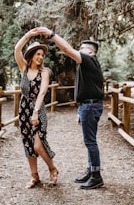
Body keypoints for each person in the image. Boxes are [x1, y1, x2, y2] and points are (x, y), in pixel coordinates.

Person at [37, 26, 104, 190]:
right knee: (89, 141)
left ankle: (96, 176)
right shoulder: (88, 65)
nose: (78, 52)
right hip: (87, 106)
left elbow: (67, 49)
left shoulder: (89, 60)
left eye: (81, 50)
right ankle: (91, 171)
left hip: (90, 106)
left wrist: (51, 34)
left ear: (90, 52)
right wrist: (80, 109)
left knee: (90, 141)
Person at [14, 28, 58, 188]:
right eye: (38, 54)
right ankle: (35, 177)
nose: (40, 57)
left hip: (37, 110)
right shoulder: (24, 69)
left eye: (42, 55)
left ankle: (53, 169)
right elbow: (17, 49)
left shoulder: (44, 72)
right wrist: (29, 35)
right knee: (27, 143)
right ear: (31, 55)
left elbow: (42, 92)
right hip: (23, 110)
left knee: (38, 145)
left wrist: (35, 112)